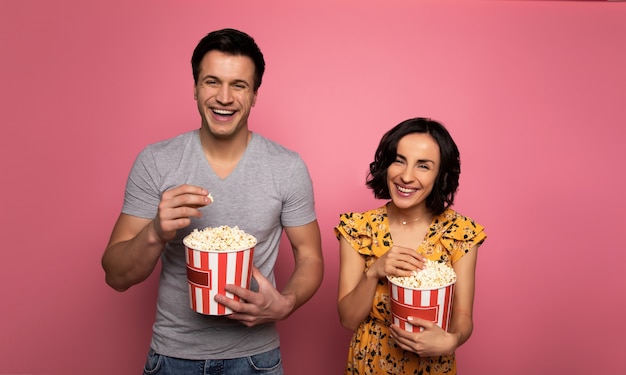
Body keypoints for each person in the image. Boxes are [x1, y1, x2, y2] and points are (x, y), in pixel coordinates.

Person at [101, 28, 324, 374]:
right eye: (211, 82)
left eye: (238, 85)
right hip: (172, 357)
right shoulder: (157, 161)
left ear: (254, 95)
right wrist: (155, 232)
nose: (224, 97)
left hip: (256, 358)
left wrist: (286, 303)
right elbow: (115, 276)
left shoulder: (286, 167)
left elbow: (310, 256)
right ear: (194, 88)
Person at [334, 118, 487, 374]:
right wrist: (374, 271)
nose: (406, 176)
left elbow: (462, 314)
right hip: (370, 363)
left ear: (441, 174)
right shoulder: (359, 229)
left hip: (432, 366)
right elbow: (348, 319)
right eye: (399, 160)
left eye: (423, 166)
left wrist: (452, 339)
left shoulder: (460, 233)